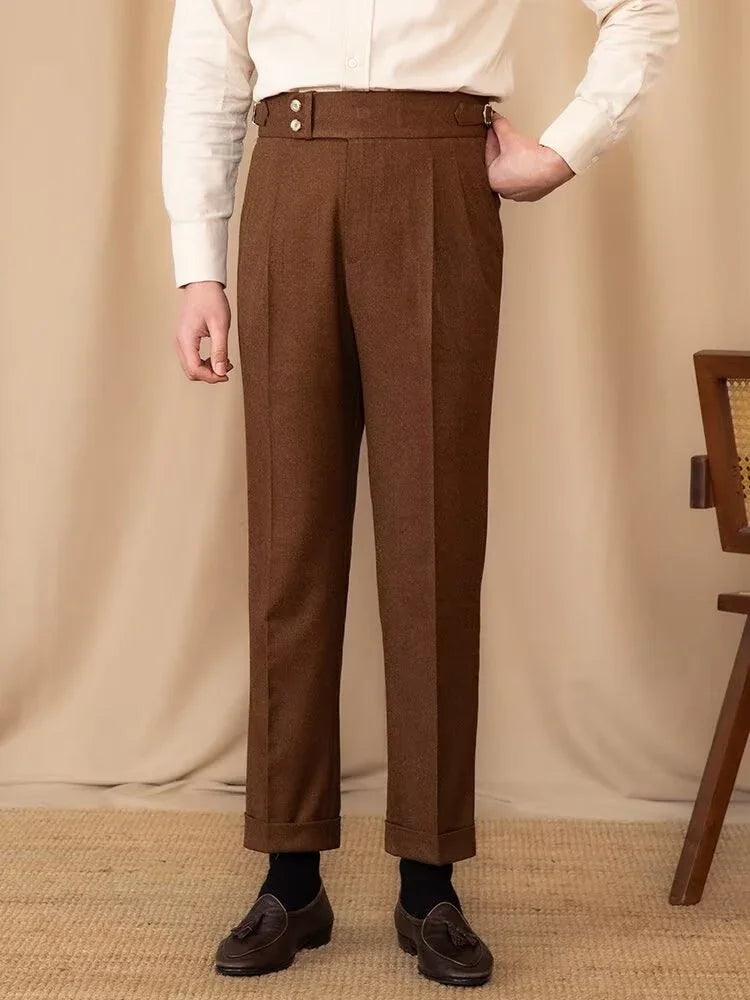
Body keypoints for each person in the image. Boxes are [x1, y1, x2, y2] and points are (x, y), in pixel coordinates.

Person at [161, 0, 678, 986]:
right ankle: (290, 873)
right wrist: (198, 267)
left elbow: (645, 10)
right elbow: (205, 60)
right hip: (291, 168)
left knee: (433, 540)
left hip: (440, 175)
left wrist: (564, 148)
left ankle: (429, 882)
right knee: (288, 543)